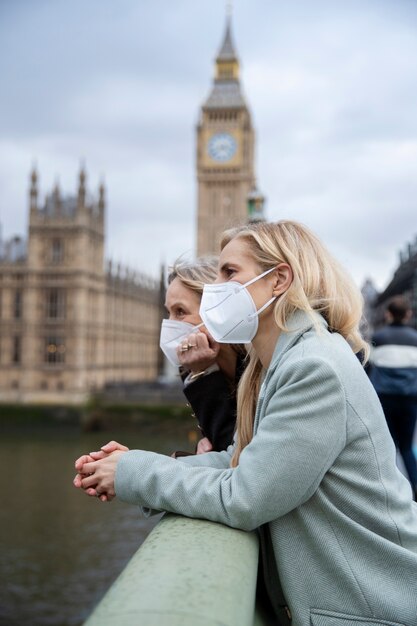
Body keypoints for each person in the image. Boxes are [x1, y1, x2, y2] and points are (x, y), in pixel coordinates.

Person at [75, 220, 417, 626]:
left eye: (229, 273)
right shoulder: (276, 363)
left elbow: (246, 497)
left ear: (279, 280)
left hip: (377, 605)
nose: (216, 290)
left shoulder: (313, 368)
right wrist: (133, 464)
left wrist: (134, 474)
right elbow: (238, 459)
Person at [370, 295, 417, 500]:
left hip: (384, 398)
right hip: (409, 398)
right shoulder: (415, 339)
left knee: (388, 446)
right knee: (407, 447)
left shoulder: (378, 338)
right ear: (408, 314)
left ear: (388, 314)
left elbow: (368, 364)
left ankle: (390, 493)